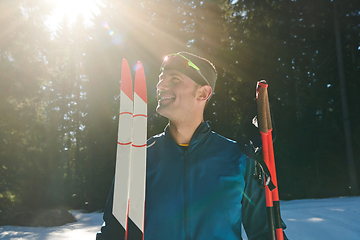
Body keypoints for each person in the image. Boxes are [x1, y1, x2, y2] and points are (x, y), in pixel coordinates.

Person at [96, 52, 288, 240]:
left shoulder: (239, 159)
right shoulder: (139, 157)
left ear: (203, 93)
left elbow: (264, 232)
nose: (160, 85)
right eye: (161, 79)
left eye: (174, 79)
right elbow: (113, 232)